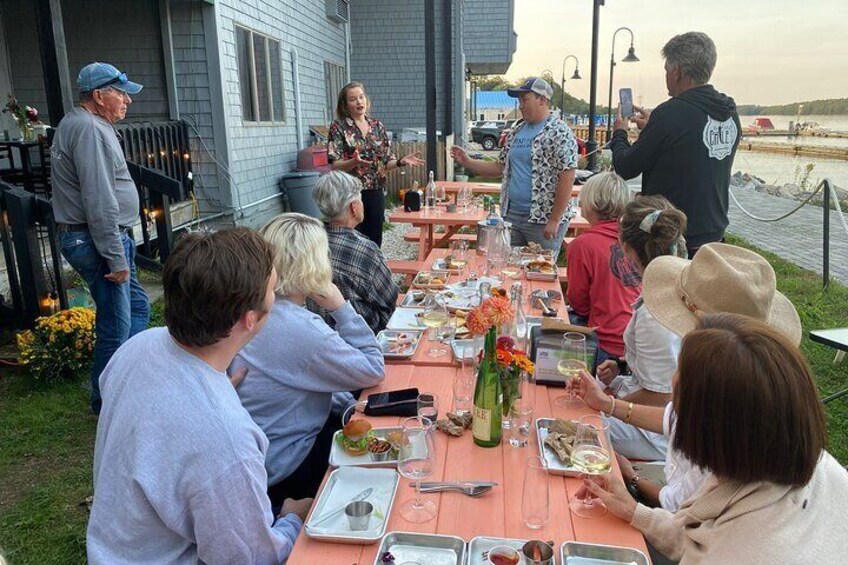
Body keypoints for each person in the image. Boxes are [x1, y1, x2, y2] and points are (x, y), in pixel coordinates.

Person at [87, 228, 312, 564]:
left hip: (117, 549)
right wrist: (293, 519)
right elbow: (251, 558)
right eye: (272, 293)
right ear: (249, 319)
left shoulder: (137, 348)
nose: (275, 299)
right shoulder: (226, 441)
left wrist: (211, 393)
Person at [577, 314, 848, 564]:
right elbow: (697, 536)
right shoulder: (795, 460)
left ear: (704, 431)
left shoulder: (743, 552)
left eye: (679, 402)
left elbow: (712, 545)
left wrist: (634, 487)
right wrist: (634, 511)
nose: (670, 408)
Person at [573, 241, 803, 513]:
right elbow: (675, 418)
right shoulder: (742, 380)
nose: (675, 379)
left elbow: (678, 509)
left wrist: (631, 479)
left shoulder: (731, 414)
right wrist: (608, 404)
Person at [233, 213, 385, 505]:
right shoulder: (298, 327)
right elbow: (373, 368)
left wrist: (351, 407)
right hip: (284, 466)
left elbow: (303, 376)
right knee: (378, 465)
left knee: (359, 416)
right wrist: (341, 307)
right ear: (315, 262)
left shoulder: (254, 310)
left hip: (256, 451)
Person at [51, 62, 150, 414]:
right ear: (98, 95)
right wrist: (116, 257)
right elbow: (98, 198)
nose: (128, 101)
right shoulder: (89, 129)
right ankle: (107, 401)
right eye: (121, 93)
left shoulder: (86, 123)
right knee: (116, 322)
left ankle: (128, 378)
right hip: (97, 241)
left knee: (138, 307)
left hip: (103, 237)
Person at [609, 32, 741, 257]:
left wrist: (620, 133)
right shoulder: (728, 112)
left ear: (676, 71)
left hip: (671, 233)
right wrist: (654, 127)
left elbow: (625, 167)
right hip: (713, 231)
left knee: (666, 291)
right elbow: (690, 148)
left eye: (666, 70)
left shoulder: (670, 113)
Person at [596, 195, 688, 461]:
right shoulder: (681, 287)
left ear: (626, 248)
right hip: (667, 413)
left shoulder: (655, 313)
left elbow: (662, 395)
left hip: (660, 432)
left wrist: (609, 405)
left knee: (577, 419)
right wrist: (622, 367)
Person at [451, 77, 579, 255]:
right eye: (519, 101)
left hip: (542, 219)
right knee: (507, 267)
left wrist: (555, 219)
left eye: (525, 100)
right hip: (511, 215)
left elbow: (568, 176)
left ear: (542, 100)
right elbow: (500, 167)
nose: (520, 105)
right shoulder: (516, 131)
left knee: (538, 270)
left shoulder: (560, 132)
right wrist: (467, 162)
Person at [327, 81, 424, 247]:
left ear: (366, 100)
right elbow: (334, 165)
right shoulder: (339, 127)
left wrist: (401, 162)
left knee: (374, 240)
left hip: (375, 192)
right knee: (352, 240)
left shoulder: (377, 126)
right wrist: (353, 162)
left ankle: (371, 271)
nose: (359, 102)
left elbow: (386, 163)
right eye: (352, 99)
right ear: (345, 104)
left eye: (361, 97)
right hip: (350, 193)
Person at [565, 172, 640, 369]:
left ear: (590, 203)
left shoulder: (582, 245)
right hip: (640, 342)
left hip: (605, 342)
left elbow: (578, 301)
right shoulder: (640, 239)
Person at [309, 171, 399, 333]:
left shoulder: (308, 241)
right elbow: (389, 300)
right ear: (354, 208)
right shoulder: (365, 250)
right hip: (362, 334)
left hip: (317, 331)